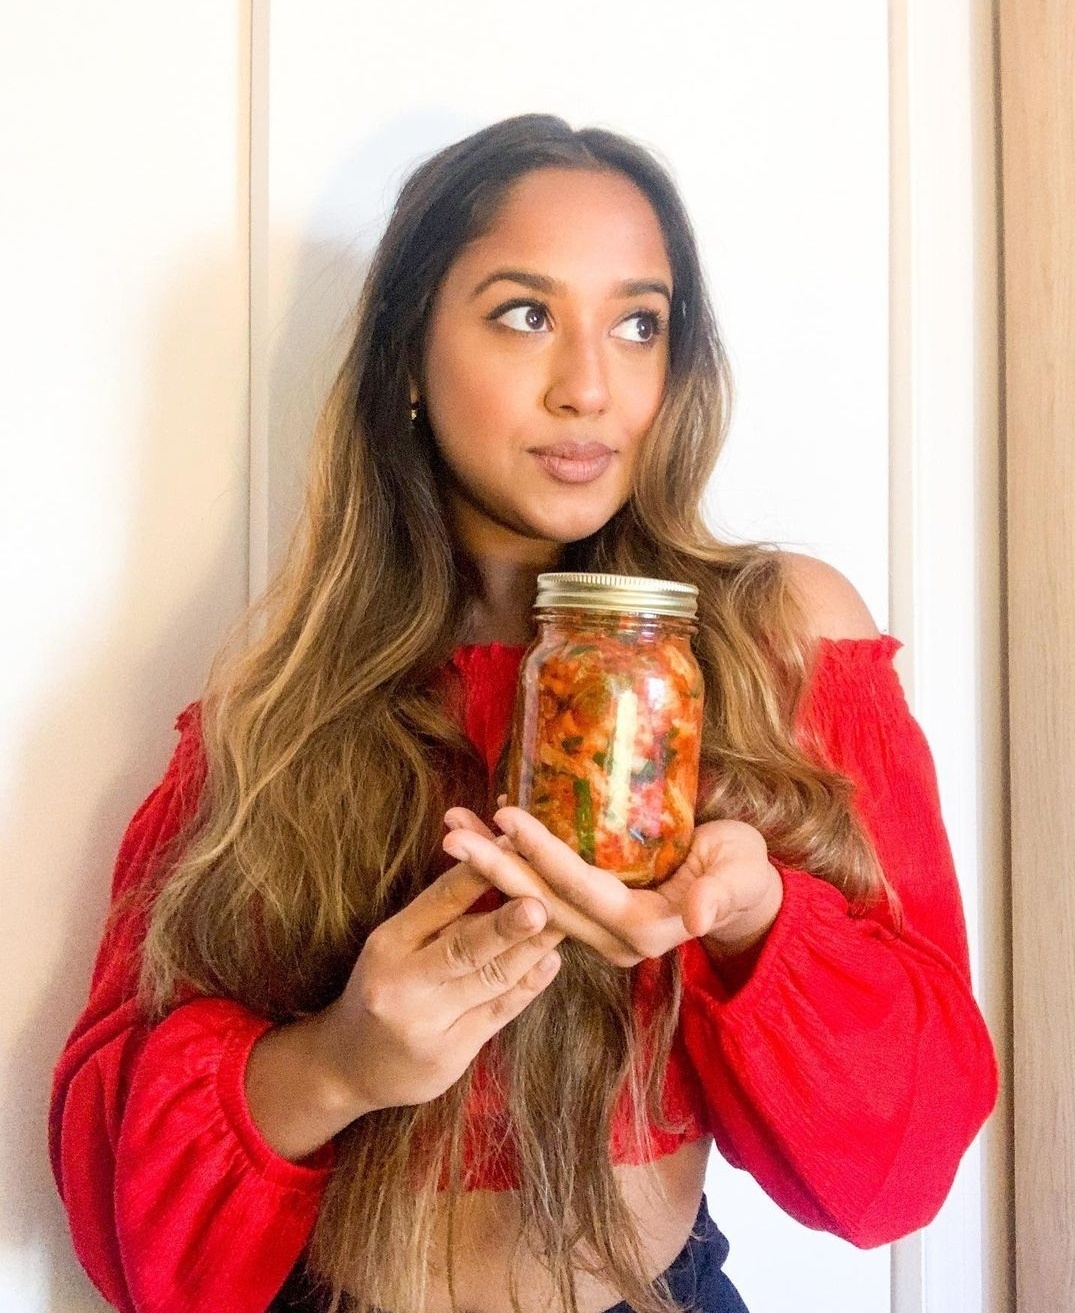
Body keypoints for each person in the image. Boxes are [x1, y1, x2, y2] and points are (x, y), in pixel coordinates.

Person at [49, 114, 997, 1313]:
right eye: (524, 312)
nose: (589, 386)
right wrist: (337, 1063)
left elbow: (901, 1161)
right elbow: (121, 1199)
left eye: (638, 322)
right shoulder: (289, 691)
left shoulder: (772, 644)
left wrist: (754, 922)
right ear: (406, 351)